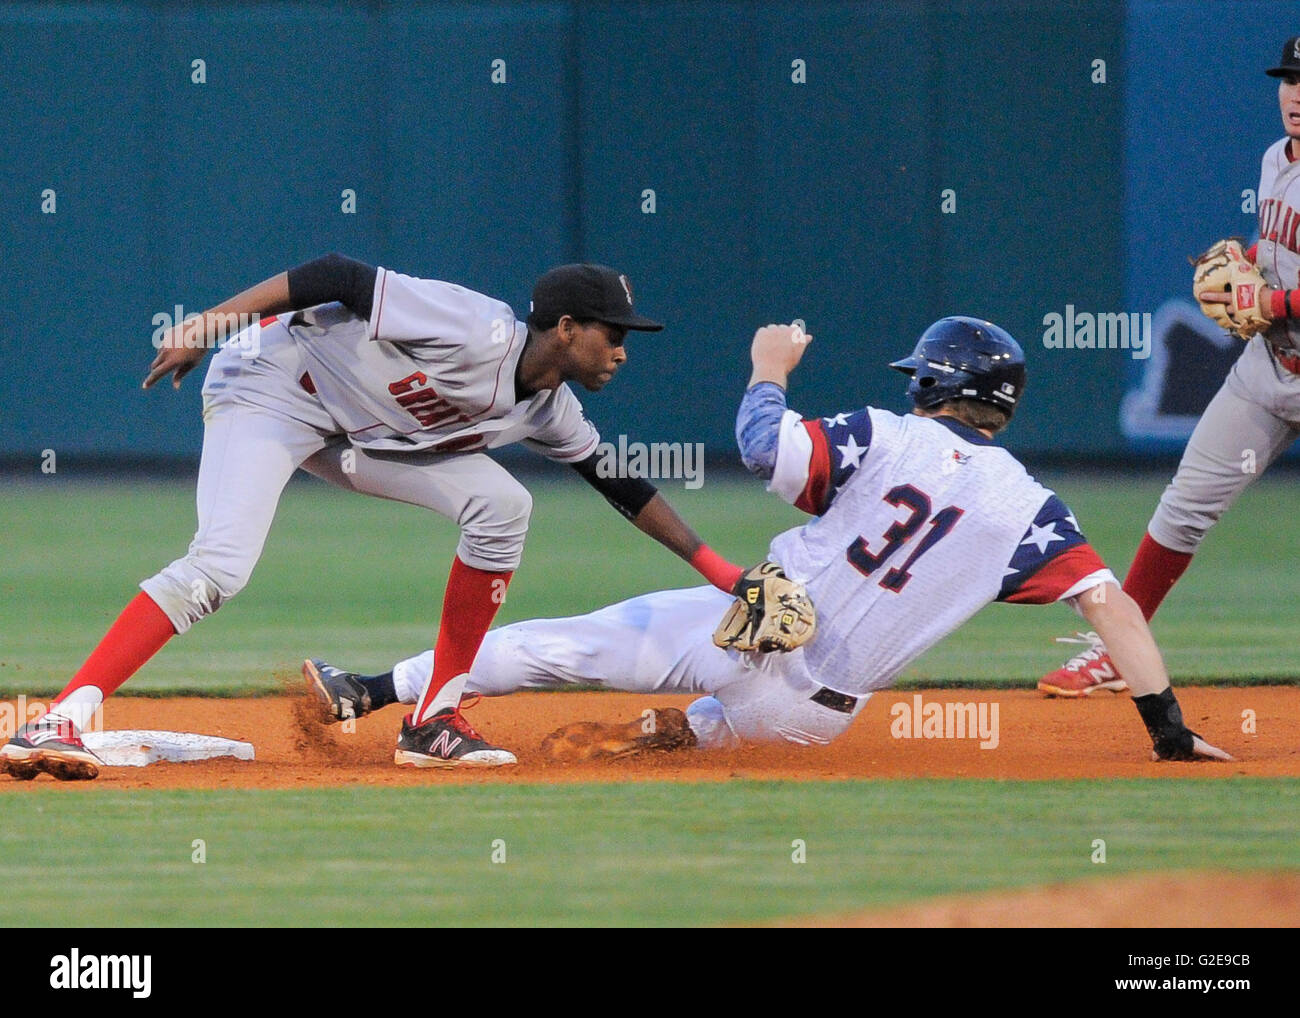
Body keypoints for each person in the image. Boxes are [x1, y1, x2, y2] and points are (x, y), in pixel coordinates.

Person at [306, 318, 1231, 762]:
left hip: (746, 625)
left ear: (934, 386)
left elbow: (763, 450)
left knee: (553, 646)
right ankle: (671, 735)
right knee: (716, 729)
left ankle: (368, 693)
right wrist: (1170, 735)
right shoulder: (1035, 510)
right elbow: (1112, 607)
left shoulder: (887, 431)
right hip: (818, 718)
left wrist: (765, 367)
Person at [0, 257, 760, 780]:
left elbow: (619, 483)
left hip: (353, 434)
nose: (623, 350)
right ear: (566, 327)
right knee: (221, 565)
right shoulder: (474, 328)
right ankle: (59, 718)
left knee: (503, 505)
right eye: (614, 333)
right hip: (272, 383)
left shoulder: (551, 408)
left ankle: (433, 720)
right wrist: (207, 325)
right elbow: (335, 274)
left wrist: (727, 577)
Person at [1038, 37, 1300, 697]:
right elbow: (1274, 247)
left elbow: (1279, 292)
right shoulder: (1276, 159)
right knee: (1182, 509)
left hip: (1281, 333)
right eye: (1289, 81)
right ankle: (1117, 652)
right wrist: (1242, 259)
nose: (1295, 95)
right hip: (1271, 366)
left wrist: (1273, 299)